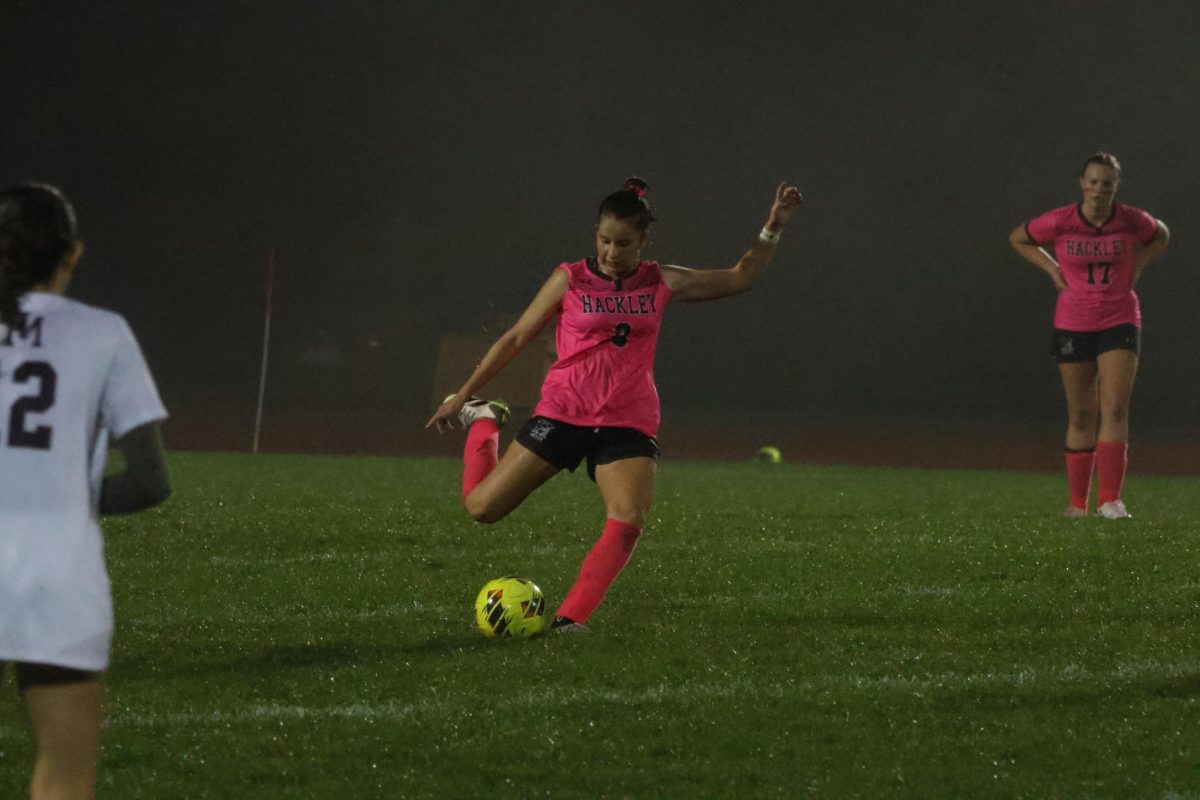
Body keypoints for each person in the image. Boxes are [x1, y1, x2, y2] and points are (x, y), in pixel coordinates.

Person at [427, 178, 803, 631]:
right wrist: (464, 395)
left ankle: (570, 620)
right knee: (481, 509)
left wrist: (772, 228)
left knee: (627, 519)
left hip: (628, 417)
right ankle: (486, 420)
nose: (611, 252)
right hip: (563, 411)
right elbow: (515, 338)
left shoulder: (661, 280)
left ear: (644, 240)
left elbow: (742, 275)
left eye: (623, 243)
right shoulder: (570, 278)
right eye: (604, 240)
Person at [0, 183, 171, 799]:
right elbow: (151, 482)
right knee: (64, 778)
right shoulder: (103, 334)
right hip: (57, 574)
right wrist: (59, 495)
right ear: (72, 254)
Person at [1008, 153, 1169, 518]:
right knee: (1081, 413)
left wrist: (1139, 263)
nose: (1099, 190)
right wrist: (1052, 270)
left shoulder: (1130, 220)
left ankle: (1109, 500)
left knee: (1114, 407)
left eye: (1107, 183)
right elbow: (1019, 238)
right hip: (1074, 320)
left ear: (1116, 187)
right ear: (1082, 183)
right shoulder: (1063, 220)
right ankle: (1078, 504)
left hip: (1119, 317)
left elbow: (1160, 235)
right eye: (1093, 182)